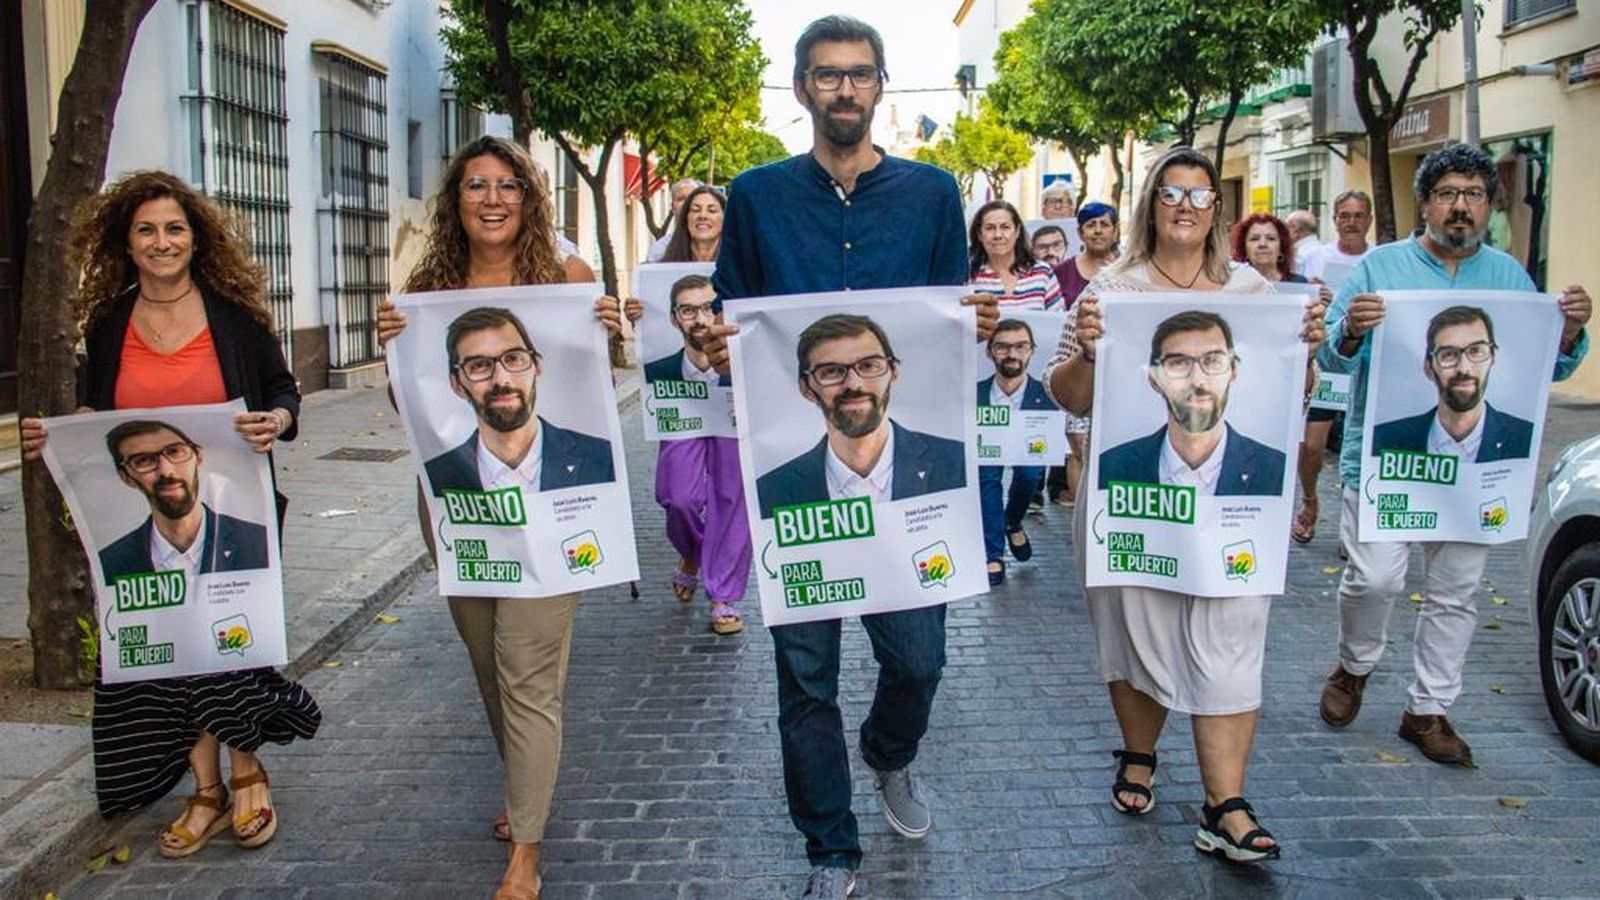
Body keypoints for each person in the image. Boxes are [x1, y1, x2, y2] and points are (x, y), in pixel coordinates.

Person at [697, 15, 999, 899]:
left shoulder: (933, 194)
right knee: (805, 681)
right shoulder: (755, 196)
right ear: (802, 90)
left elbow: (947, 320)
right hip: (796, 474)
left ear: (880, 87)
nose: (844, 90)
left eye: (860, 75)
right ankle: (830, 847)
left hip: (911, 484)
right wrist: (722, 342)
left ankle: (889, 753)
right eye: (827, 76)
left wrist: (972, 322)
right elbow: (732, 310)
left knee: (919, 661)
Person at [18, 170, 318, 857]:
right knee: (174, 650)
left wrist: (278, 418)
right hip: (148, 519)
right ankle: (205, 788)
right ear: (127, 242)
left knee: (230, 642)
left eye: (174, 229)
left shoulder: (233, 318)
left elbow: (281, 391)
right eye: (146, 230)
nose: (161, 242)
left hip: (235, 512)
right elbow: (102, 415)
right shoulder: (111, 321)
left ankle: (244, 778)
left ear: (196, 238)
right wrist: (62, 435)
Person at [1046, 146, 1325, 865]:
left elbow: (1287, 392)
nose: (1185, 206)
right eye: (1171, 192)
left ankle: (1224, 803)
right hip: (1132, 500)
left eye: (1200, 196)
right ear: (1151, 204)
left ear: (1216, 210)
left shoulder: (1255, 293)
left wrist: (1310, 350)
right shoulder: (1109, 288)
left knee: (1232, 639)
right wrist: (1087, 352)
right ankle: (1139, 752)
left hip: (1236, 504)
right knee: (1136, 631)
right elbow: (1069, 395)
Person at [374, 135, 625, 900]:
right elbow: (409, 409)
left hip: (555, 509)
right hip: (459, 507)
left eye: (508, 185)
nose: (492, 198)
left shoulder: (567, 277)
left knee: (526, 671)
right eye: (476, 185)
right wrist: (391, 351)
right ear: (457, 200)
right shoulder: (429, 285)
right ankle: (527, 789)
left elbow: (598, 382)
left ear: (528, 197)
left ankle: (527, 852)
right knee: (490, 666)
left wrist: (614, 326)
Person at [1317, 144, 1591, 767]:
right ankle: (1354, 667)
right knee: (1375, 577)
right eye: (1448, 194)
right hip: (1387, 461)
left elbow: (1540, 367)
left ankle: (1428, 709)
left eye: (1474, 195)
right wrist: (1353, 330)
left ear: (1490, 205)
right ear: (1426, 203)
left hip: (1476, 475)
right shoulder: (1379, 269)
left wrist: (1571, 330)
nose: (1461, 207)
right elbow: (1331, 358)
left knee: (1456, 592)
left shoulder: (1509, 278)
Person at [630, 269, 751, 636]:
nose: (699, 319)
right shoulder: (659, 369)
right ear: (672, 318)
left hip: (731, 418)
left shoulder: (742, 367)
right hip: (680, 416)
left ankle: (722, 596)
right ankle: (695, 554)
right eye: (687, 311)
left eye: (707, 309)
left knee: (730, 499)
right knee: (678, 496)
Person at [755, 313, 966, 519]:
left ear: (893, 372)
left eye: (869, 366)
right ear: (807, 389)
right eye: (832, 371)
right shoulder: (771, 491)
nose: (854, 384)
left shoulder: (958, 464)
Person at [423, 307, 616, 494]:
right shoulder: (437, 475)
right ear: (457, 384)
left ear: (536, 367)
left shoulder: (602, 458)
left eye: (513, 358)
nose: (501, 379)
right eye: (479, 365)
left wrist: (599, 345)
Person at [1096, 310, 1287, 497]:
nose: (1197, 380)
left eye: (1213, 361)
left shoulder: (1275, 470)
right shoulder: (1111, 467)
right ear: (1155, 379)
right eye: (1179, 363)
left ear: (1233, 371)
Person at [1231, 212, 1337, 540]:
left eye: (1270, 238)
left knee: (1313, 447)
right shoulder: (1231, 286)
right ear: (1244, 248)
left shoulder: (1303, 287)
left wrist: (1325, 307)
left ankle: (1309, 497)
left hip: (1306, 373)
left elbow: (1321, 334)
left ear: (1282, 247)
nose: (1263, 244)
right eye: (1255, 238)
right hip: (1261, 382)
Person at [99, 420, 271, 581]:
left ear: (198, 457)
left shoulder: (258, 542)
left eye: (174, 451)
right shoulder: (109, 563)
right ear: (125, 477)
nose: (166, 471)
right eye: (143, 460)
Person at [1370, 306, 1534, 462]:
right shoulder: (1386, 440)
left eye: (1476, 351)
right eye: (1448, 354)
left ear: (1493, 358)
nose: (1464, 368)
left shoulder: (1525, 438)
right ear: (1428, 367)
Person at [1047, 201, 1120, 505]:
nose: (1098, 230)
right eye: (1091, 225)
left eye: (1105, 224)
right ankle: (1080, 510)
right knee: (1078, 445)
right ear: (1080, 232)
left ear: (1116, 230)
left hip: (1117, 375)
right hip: (1077, 367)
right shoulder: (1062, 272)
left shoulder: (1128, 271)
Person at [977, 319, 1056, 584]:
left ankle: (1012, 522)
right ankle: (993, 554)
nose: (1012, 354)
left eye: (1021, 346)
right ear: (989, 352)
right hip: (987, 446)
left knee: (1029, 475)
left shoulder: (1045, 394)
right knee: (986, 482)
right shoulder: (976, 394)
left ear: (1032, 350)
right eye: (1003, 347)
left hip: (1029, 448)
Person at [969, 200, 1062, 310]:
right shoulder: (968, 277)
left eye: (1005, 227)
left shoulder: (1042, 272)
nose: (998, 235)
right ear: (979, 235)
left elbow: (1058, 321)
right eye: (990, 228)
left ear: (1017, 231)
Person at [1301, 190, 1372, 288]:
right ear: (1335, 220)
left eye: (1359, 216)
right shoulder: (1315, 257)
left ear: (1369, 221)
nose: (1352, 223)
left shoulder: (1379, 258)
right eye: (1344, 216)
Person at [645, 178, 702, 263]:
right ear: (673, 207)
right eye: (681, 199)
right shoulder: (660, 250)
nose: (687, 203)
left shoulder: (719, 245)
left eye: (691, 198)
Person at [1285, 208, 1321, 278]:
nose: (1282, 232)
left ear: (1295, 231)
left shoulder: (1304, 254)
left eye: (1285, 227)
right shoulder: (1319, 250)